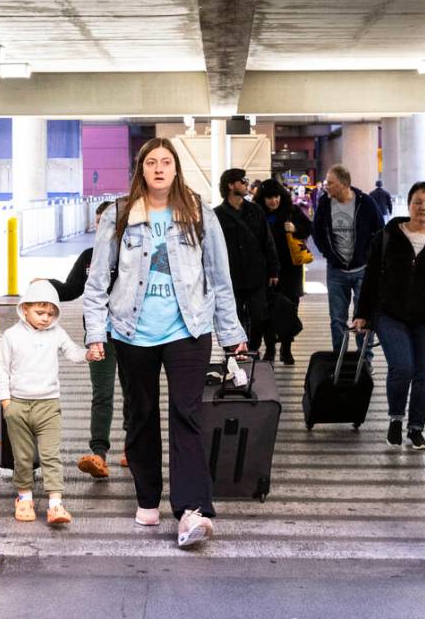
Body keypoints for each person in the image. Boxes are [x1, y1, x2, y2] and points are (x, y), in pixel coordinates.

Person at [83, 138, 247, 549]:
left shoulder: (199, 214)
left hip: (188, 330)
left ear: (176, 169)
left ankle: (193, 509)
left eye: (166, 162)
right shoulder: (118, 215)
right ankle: (147, 496)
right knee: (140, 415)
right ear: (141, 169)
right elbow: (98, 281)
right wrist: (95, 332)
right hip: (131, 330)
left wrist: (232, 338)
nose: (158, 168)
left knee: (187, 415)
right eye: (151, 162)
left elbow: (220, 279)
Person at [353, 181, 425, 451]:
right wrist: (362, 314)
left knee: (424, 372)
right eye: (418, 202)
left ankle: (416, 429)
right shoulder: (387, 236)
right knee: (402, 367)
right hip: (390, 314)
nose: (423, 208)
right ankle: (395, 419)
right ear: (408, 205)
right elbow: (370, 278)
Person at [0, 280, 92, 526]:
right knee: (23, 456)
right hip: (18, 405)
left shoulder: (56, 333)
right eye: (40, 313)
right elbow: (2, 370)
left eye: (51, 313)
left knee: (51, 455)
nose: (46, 318)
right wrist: (6, 403)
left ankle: (55, 503)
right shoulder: (11, 335)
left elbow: (72, 352)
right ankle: (24, 498)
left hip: (49, 405)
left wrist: (87, 355)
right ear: (24, 308)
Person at [45, 200, 129, 478]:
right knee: (102, 394)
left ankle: (133, 446)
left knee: (135, 394)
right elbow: (70, 290)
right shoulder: (89, 257)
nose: (101, 226)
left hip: (133, 335)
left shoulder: (133, 254)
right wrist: (45, 285)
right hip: (99, 335)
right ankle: (98, 454)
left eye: (106, 220)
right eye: (98, 220)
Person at [312, 164, 385, 359]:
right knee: (337, 319)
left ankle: (365, 360)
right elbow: (317, 232)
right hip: (336, 271)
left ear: (344, 184)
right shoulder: (325, 204)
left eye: (331, 183)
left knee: (364, 318)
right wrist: (327, 253)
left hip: (363, 270)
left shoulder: (365, 202)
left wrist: (370, 255)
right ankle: (339, 359)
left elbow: (380, 230)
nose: (327, 186)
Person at [214, 168, 279, 356]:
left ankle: (253, 347)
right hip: (230, 276)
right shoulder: (217, 215)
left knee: (259, 316)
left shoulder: (255, 210)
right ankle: (237, 351)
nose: (246, 184)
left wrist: (274, 270)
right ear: (231, 185)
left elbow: (267, 241)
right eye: (243, 181)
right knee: (234, 316)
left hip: (256, 274)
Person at [254, 178, 313, 365]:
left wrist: (296, 228)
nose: (273, 201)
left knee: (289, 310)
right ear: (262, 199)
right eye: (269, 198)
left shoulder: (291, 212)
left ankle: (286, 349)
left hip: (290, 271)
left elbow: (309, 228)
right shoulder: (257, 214)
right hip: (267, 272)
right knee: (268, 312)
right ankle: (270, 349)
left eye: (276, 196)